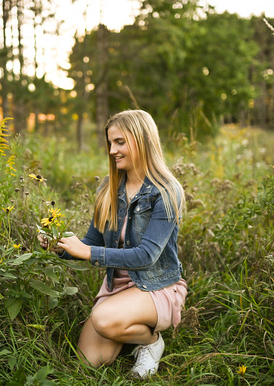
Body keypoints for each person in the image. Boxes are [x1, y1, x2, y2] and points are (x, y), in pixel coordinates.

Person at [41, 110, 187, 378]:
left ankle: (151, 342)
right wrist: (58, 245)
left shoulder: (166, 191)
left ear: (142, 140)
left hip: (154, 285)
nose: (112, 150)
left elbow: (146, 256)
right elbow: (91, 243)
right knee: (89, 363)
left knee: (103, 320)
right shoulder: (109, 187)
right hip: (117, 285)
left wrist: (87, 252)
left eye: (120, 142)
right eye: (110, 143)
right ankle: (125, 323)